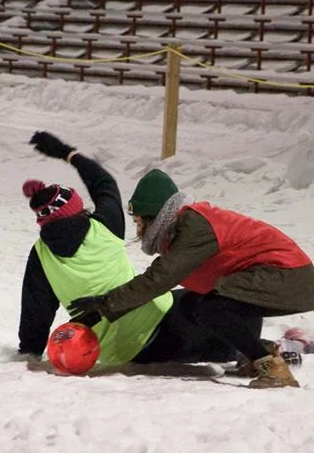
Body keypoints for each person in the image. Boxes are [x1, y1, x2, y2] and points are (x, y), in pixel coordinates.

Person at [67, 168, 314, 389]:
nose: (138, 230)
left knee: (210, 308)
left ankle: (272, 368)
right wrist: (105, 309)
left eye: (139, 222)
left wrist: (103, 306)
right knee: (196, 304)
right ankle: (256, 356)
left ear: (155, 217)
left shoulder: (193, 228)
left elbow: (158, 279)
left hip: (288, 277)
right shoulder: (184, 229)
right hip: (280, 277)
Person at [19, 132, 238, 370]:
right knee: (218, 303)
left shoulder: (41, 256)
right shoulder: (104, 225)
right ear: (77, 208)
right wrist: (68, 153)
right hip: (160, 320)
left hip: (119, 352)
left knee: (196, 313)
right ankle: (258, 350)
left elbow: (36, 313)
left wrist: (29, 353)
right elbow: (103, 183)